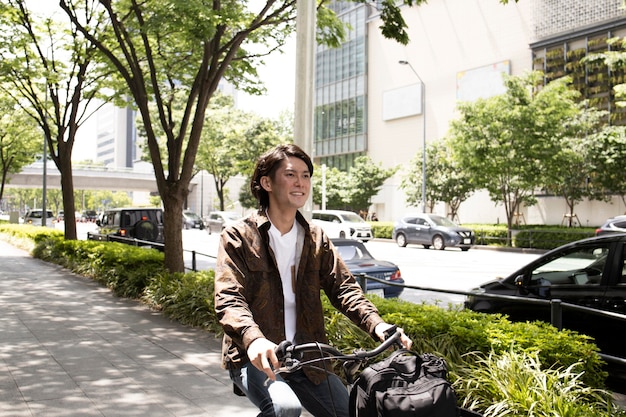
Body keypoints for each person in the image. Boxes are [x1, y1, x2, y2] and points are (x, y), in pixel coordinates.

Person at [214, 143, 412, 417]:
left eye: (306, 175)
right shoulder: (238, 236)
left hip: (308, 358)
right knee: (285, 408)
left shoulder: (315, 238)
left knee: (352, 412)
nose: (301, 183)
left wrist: (377, 325)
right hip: (256, 356)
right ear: (266, 182)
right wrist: (254, 339)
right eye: (291, 175)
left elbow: (344, 289)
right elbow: (228, 298)